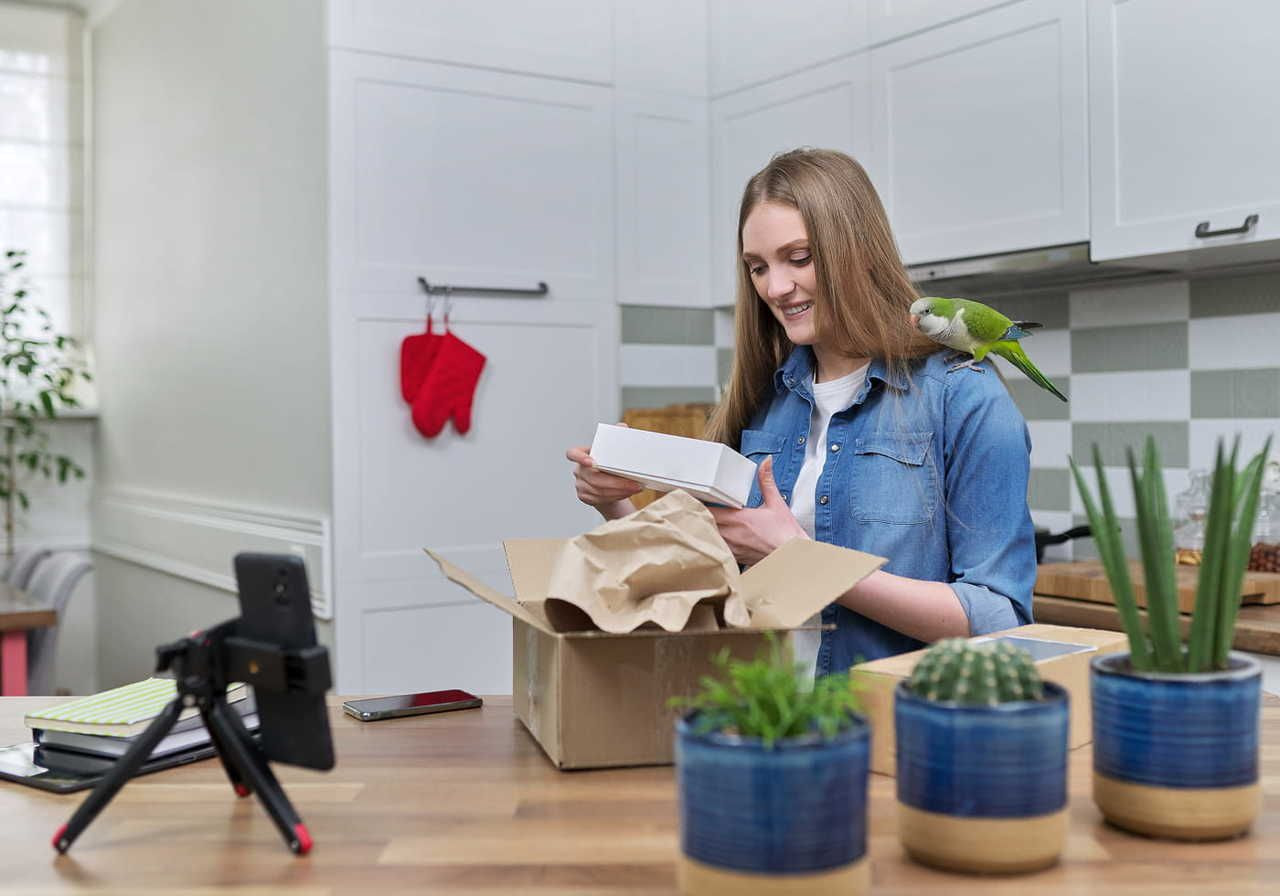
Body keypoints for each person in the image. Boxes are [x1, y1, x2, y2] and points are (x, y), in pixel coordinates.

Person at [567, 148, 1035, 674]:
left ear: (856, 250)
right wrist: (613, 504)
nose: (774, 287)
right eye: (758, 267)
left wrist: (803, 559)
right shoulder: (764, 397)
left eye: (799, 257)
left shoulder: (963, 397)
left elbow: (1001, 619)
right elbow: (703, 588)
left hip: (886, 727)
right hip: (763, 716)